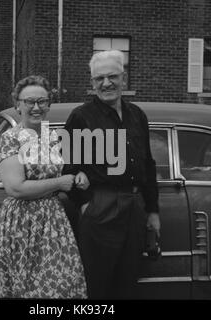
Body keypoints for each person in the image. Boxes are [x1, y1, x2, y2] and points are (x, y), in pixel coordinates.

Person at [63, 50, 161, 299]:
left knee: (128, 282)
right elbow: (68, 168)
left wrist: (152, 210)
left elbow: (148, 164)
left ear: (124, 78)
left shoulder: (137, 115)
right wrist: (86, 205)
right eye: (99, 78)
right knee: (97, 283)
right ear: (92, 82)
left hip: (135, 206)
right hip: (101, 206)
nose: (106, 83)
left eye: (112, 76)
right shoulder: (81, 117)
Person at [0, 75, 88, 299]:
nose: (36, 107)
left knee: (64, 285)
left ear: (48, 105)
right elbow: (16, 188)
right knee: (28, 289)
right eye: (29, 102)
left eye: (42, 102)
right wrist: (60, 183)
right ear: (18, 105)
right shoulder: (10, 139)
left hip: (53, 221)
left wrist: (79, 174)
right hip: (22, 223)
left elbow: (67, 169)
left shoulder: (52, 136)